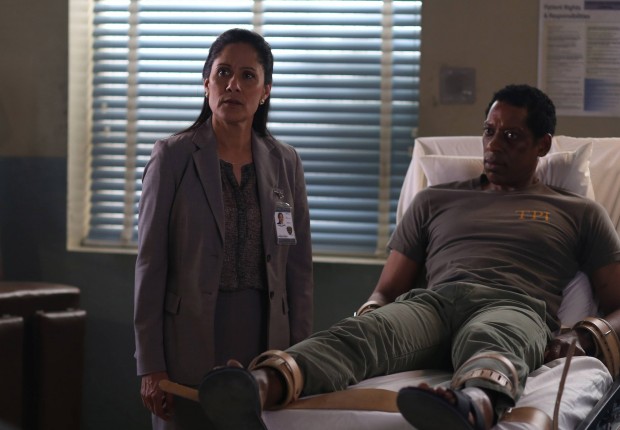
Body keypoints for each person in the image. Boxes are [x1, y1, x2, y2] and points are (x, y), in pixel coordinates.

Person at [195, 84, 620, 430]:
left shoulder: (579, 212)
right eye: (489, 131)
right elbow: (387, 291)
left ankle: (473, 404)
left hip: (514, 304)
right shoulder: (434, 200)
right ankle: (258, 385)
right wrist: (372, 315)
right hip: (434, 303)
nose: (493, 145)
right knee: (366, 334)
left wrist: (584, 337)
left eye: (511, 137)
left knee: (492, 338)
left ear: (543, 145)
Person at [133, 28, 314, 430]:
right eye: (223, 72)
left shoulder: (286, 162)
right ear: (206, 83)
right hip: (188, 342)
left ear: (265, 91)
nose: (233, 85)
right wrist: (150, 365)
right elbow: (150, 266)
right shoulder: (173, 157)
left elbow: (298, 271)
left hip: (266, 345)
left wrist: (299, 359)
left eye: (248, 76)